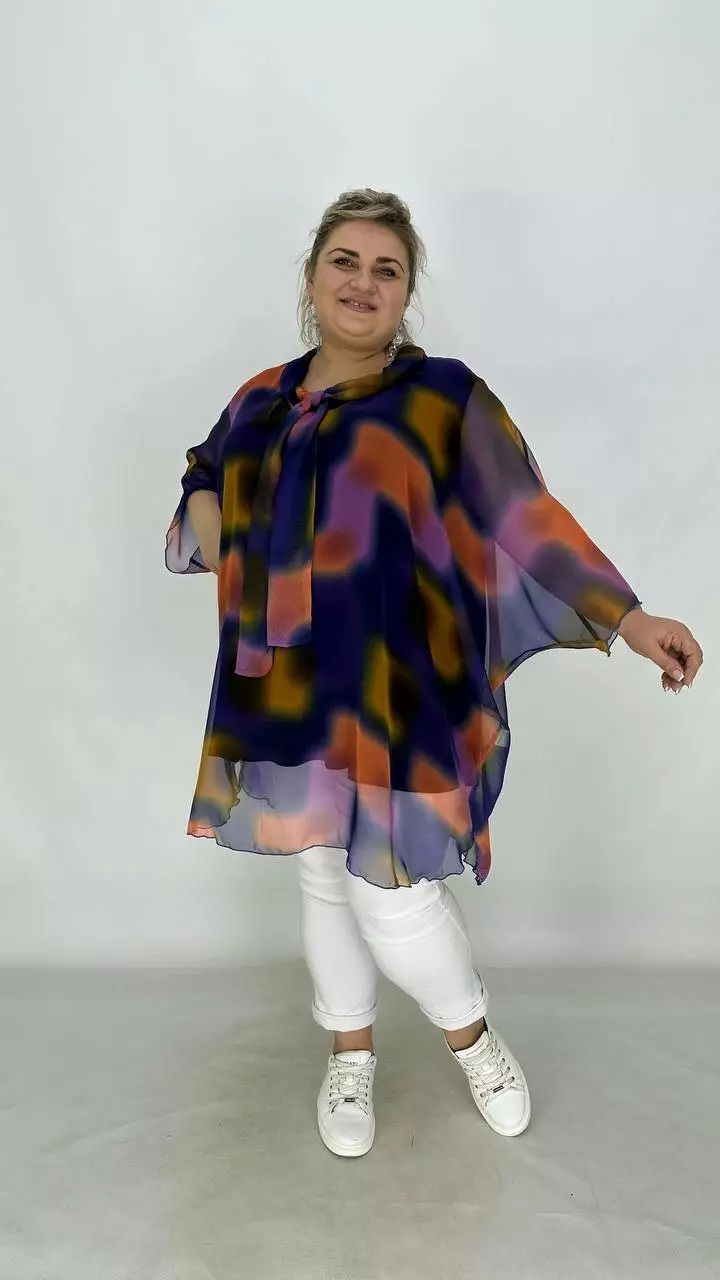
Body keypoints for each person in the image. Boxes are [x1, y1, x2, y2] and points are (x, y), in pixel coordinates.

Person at [166, 188, 703, 1159]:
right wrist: (227, 536)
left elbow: (526, 516)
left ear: (406, 292)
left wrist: (628, 617)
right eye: (345, 261)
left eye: (387, 269)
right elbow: (204, 476)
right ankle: (350, 1052)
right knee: (322, 873)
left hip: (398, 682)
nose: (362, 282)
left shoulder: (443, 397)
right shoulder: (259, 399)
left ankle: (473, 1037)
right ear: (311, 276)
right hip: (283, 678)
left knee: (393, 886)